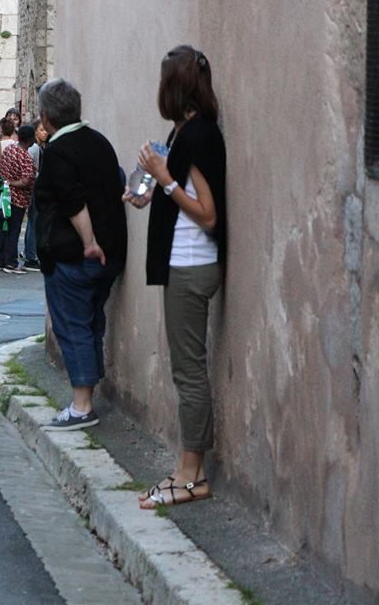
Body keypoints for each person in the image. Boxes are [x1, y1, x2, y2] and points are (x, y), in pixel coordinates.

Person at [125, 46, 227, 509]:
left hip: (192, 264)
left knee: (189, 372)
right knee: (185, 369)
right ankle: (189, 470)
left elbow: (207, 215)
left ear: (175, 85)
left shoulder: (201, 135)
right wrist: (152, 191)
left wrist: (164, 180)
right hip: (181, 263)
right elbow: (179, 191)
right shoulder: (184, 130)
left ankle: (191, 475)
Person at [34, 77, 127, 432]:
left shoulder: (59, 150)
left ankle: (82, 404)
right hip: (110, 256)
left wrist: (89, 241)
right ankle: (88, 389)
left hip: (77, 256)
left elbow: (73, 201)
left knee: (73, 326)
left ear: (46, 116)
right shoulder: (99, 142)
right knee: (91, 322)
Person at [0, 124, 36, 274]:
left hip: (3, 196)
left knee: (3, 228)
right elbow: (26, 181)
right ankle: (11, 262)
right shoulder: (25, 157)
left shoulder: (9, 150)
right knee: (13, 230)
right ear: (30, 140)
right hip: (17, 199)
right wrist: (13, 183)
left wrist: (7, 182)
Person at [21, 119, 48, 271]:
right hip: (34, 187)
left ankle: (29, 252)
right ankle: (31, 255)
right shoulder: (35, 149)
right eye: (41, 130)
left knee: (32, 221)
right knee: (34, 221)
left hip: (32, 187)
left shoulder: (37, 147)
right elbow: (33, 169)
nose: (45, 133)